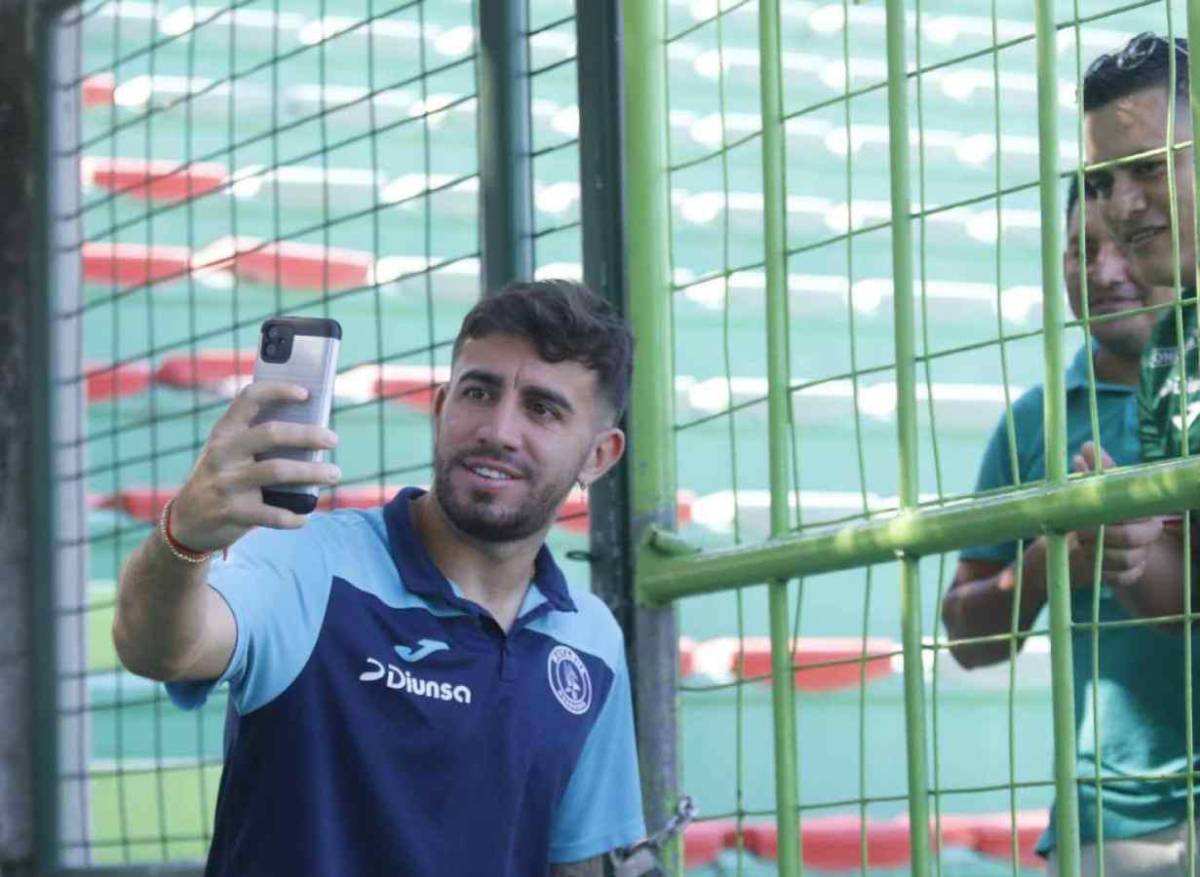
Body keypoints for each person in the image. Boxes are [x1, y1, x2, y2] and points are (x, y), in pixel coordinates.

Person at [112, 280, 646, 877]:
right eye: (479, 391)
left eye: (542, 409)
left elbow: (576, 863)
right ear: (442, 408)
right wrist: (181, 537)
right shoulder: (309, 563)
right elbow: (159, 648)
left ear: (598, 457)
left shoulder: (590, 639)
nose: (498, 429)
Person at [941, 175, 1195, 876]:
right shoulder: (1036, 423)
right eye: (1083, 249)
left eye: (1131, 246)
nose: (1106, 272)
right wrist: (1054, 559)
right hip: (1118, 822)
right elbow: (967, 637)